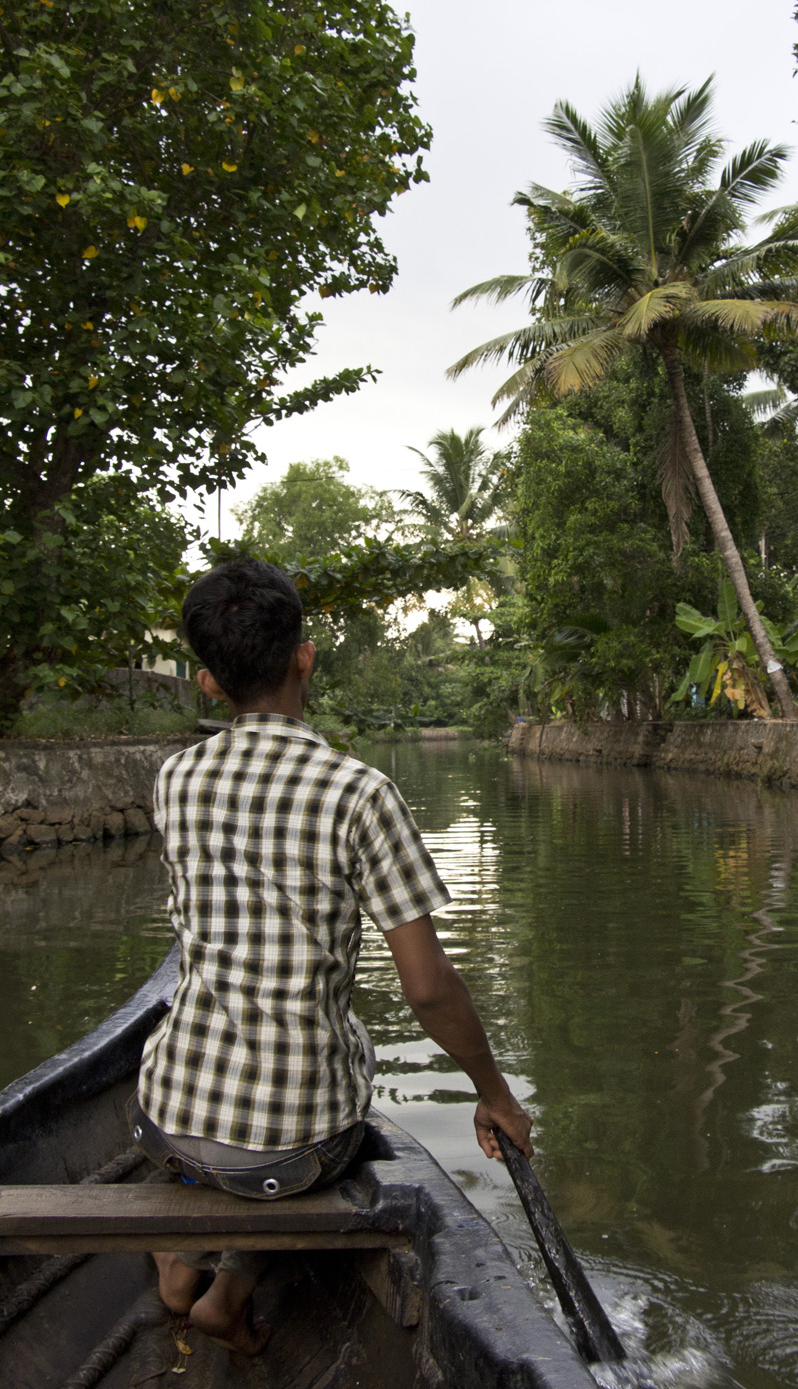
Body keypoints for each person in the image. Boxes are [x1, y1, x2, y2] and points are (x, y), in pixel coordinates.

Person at [129, 557, 533, 1355]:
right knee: (347, 1080)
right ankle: (231, 1290)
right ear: (304, 656)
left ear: (207, 683)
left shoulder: (174, 779)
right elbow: (428, 988)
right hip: (296, 1148)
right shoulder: (359, 792)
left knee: (180, 1084)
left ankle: (177, 1268)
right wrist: (495, 1093)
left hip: (164, 1116)